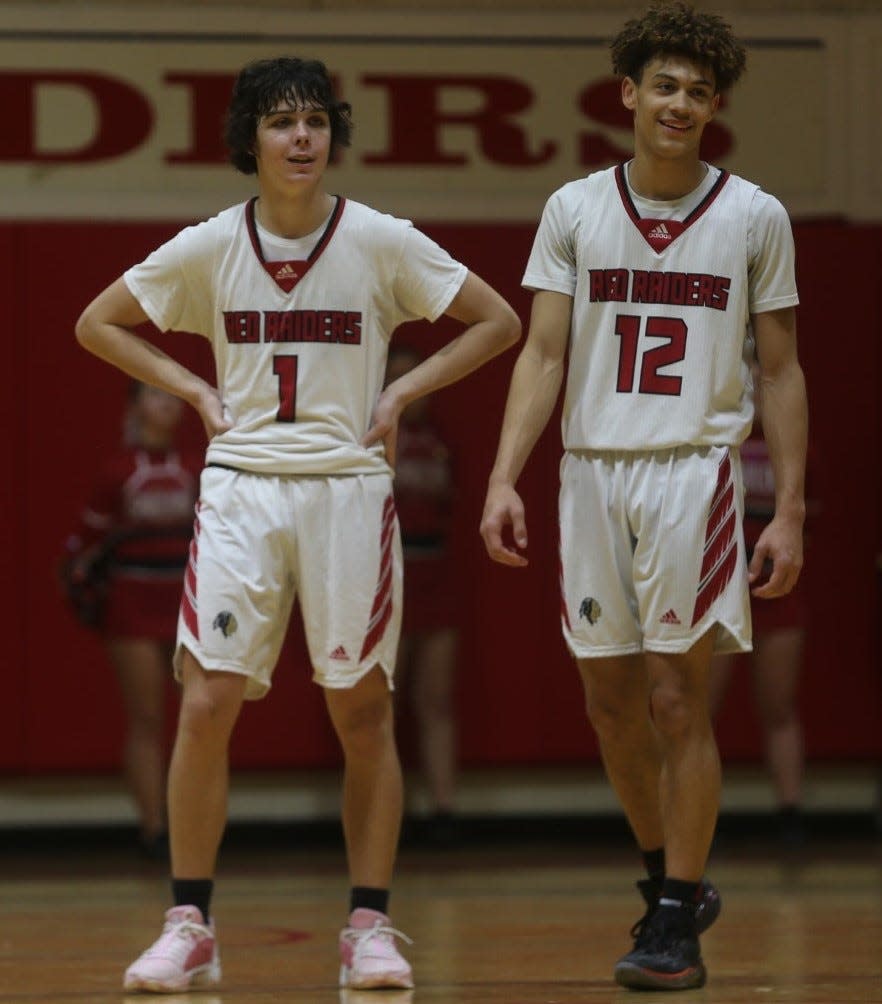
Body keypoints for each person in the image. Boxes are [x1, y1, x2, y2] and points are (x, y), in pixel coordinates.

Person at [75, 56, 519, 994]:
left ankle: (370, 926)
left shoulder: (382, 240)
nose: (302, 137)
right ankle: (189, 922)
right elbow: (97, 323)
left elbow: (496, 320)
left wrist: (402, 388)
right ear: (250, 140)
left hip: (349, 491)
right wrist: (193, 385)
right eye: (281, 122)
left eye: (315, 119)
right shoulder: (208, 246)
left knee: (362, 709)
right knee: (206, 703)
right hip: (242, 490)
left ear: (333, 134)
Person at [480, 1, 807, 992]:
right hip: (590, 471)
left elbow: (783, 370)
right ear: (627, 95)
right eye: (664, 85)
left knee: (676, 694)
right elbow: (542, 351)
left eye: (698, 92)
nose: (680, 103)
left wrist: (786, 505)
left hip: (691, 471)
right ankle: (671, 876)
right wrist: (502, 474)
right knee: (610, 701)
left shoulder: (754, 215)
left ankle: (674, 915)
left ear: (715, 109)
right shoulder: (575, 208)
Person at [60, 381, 200, 859]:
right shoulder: (115, 471)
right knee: (147, 717)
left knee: (199, 718)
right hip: (133, 603)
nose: (167, 404)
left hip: (185, 601)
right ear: (136, 407)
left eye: (172, 397)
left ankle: (194, 829)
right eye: (156, 396)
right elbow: (83, 546)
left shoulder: (196, 469)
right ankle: (154, 828)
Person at [709, 375, 814, 848]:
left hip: (774, 585)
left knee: (779, 704)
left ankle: (791, 816)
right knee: (694, 710)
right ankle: (690, 828)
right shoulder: (709, 435)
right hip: (716, 583)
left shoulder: (787, 440)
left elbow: (806, 516)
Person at [386, 345, 461, 845]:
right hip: (388, 570)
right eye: (399, 379)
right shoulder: (370, 436)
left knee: (436, 699)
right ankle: (387, 811)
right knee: (381, 704)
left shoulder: (440, 444)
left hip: (434, 571)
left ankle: (444, 810)